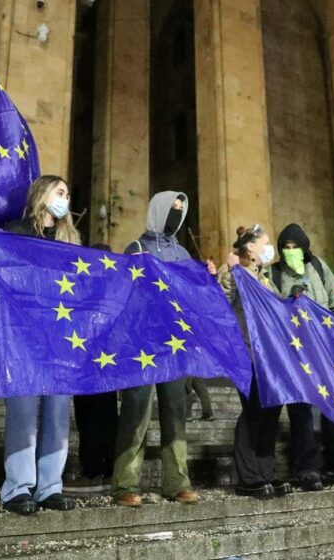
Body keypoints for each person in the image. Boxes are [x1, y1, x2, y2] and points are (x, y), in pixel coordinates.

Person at [112, 192, 212, 507]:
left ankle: (177, 482)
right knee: (136, 413)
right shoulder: (137, 248)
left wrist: (203, 280)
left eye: (181, 210)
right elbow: (123, 295)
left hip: (174, 346)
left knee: (175, 413)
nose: (176, 215)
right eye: (172, 209)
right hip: (142, 344)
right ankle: (125, 483)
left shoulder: (182, 252)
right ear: (158, 210)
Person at [0, 175, 81, 515]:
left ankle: (50, 486)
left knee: (58, 413)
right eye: (60, 192)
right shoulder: (16, 232)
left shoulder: (71, 242)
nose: (65, 198)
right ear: (42, 195)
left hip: (60, 340)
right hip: (23, 337)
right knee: (23, 413)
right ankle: (17, 487)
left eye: (68, 193)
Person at [269, 223, 334, 490]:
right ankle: (308, 469)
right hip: (296, 351)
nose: (291, 251)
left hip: (326, 349)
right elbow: (269, 309)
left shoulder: (317, 267)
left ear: (305, 247)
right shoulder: (275, 272)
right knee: (302, 411)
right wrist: (287, 300)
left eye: (296, 246)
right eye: (286, 247)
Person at [220, 224, 290, 499]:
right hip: (247, 352)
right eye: (266, 242)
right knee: (253, 411)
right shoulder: (236, 272)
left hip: (270, 356)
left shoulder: (265, 278)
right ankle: (248, 476)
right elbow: (222, 304)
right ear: (250, 246)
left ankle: (265, 472)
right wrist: (231, 272)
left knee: (270, 411)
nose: (269, 248)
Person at [66, 243, 120, 495]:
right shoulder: (84, 287)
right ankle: (95, 466)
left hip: (101, 362)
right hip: (87, 361)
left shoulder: (111, 288)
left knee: (101, 415)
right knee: (91, 415)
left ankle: (103, 466)